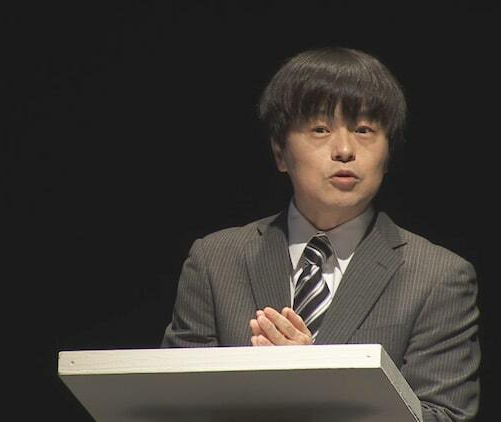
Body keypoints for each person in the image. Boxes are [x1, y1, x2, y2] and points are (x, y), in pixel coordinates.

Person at [161, 47, 480, 422]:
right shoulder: (216, 261)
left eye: (364, 130)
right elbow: (175, 403)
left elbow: (442, 416)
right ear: (280, 152)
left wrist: (317, 383)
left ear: (389, 154)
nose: (344, 150)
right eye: (320, 129)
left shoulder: (438, 276)